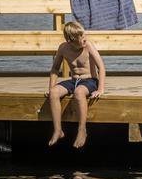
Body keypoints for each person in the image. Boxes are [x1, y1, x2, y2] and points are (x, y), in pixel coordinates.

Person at [45, 21, 106, 149]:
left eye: (84, 36)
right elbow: (55, 69)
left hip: (89, 81)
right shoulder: (63, 48)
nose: (85, 39)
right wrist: (51, 88)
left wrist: (100, 89)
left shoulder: (88, 46)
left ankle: (82, 130)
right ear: (70, 40)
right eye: (81, 38)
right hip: (73, 80)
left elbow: (101, 67)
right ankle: (58, 130)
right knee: (54, 93)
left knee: (79, 93)